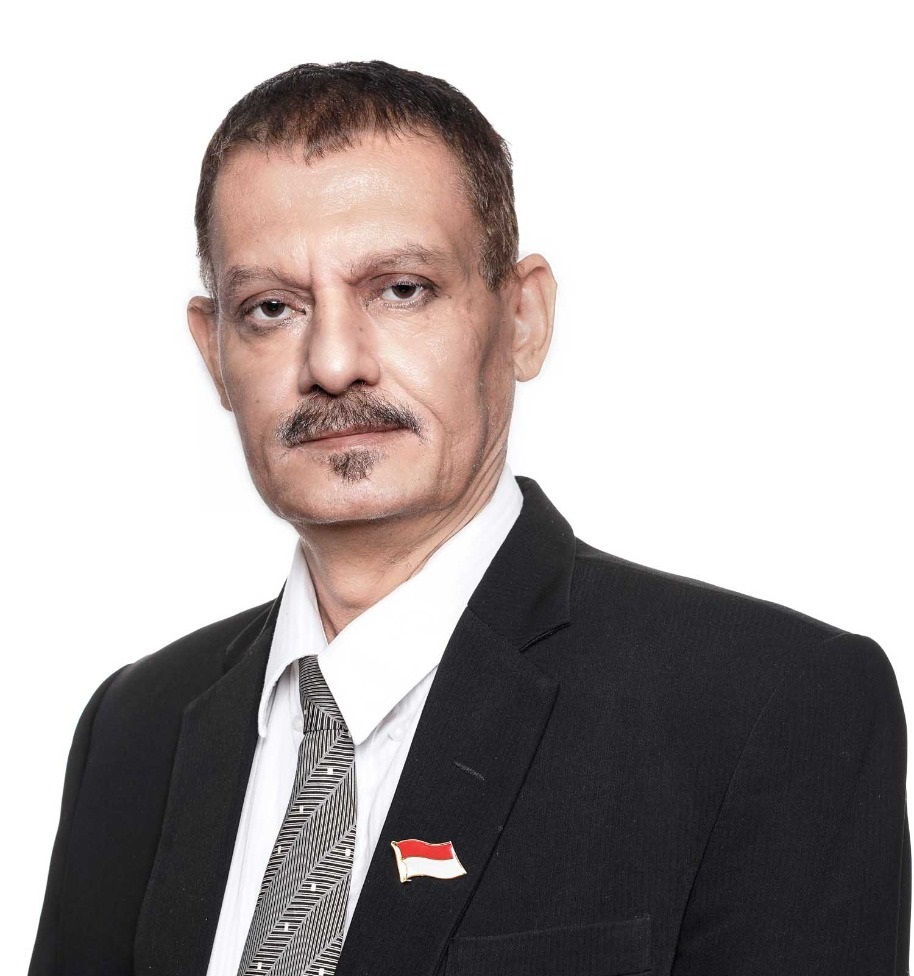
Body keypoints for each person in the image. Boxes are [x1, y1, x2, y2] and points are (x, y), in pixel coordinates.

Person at [30, 60, 909, 976]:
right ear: (214, 354)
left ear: (522, 318)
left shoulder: (768, 708)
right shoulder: (133, 731)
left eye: (401, 289)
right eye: (272, 308)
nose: (333, 363)